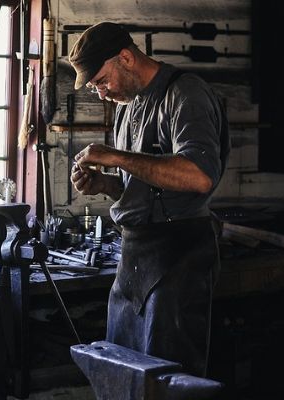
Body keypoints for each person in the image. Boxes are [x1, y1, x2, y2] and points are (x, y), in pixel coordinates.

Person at [68, 22, 230, 377]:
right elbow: (144, 185)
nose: (100, 94)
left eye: (101, 81)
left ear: (125, 57)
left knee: (166, 378)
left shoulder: (184, 94)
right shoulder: (128, 107)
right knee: (123, 371)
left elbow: (199, 176)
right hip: (136, 256)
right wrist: (105, 184)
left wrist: (117, 156)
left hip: (179, 255)